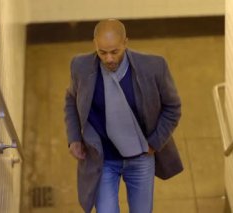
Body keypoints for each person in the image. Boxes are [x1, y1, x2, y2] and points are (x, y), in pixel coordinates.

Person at [64, 19, 183, 213]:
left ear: (125, 43)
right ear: (95, 44)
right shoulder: (80, 66)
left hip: (141, 158)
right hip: (102, 160)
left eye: (115, 51)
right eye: (102, 52)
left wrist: (154, 143)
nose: (109, 58)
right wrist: (74, 137)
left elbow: (173, 108)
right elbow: (71, 99)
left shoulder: (154, 67)